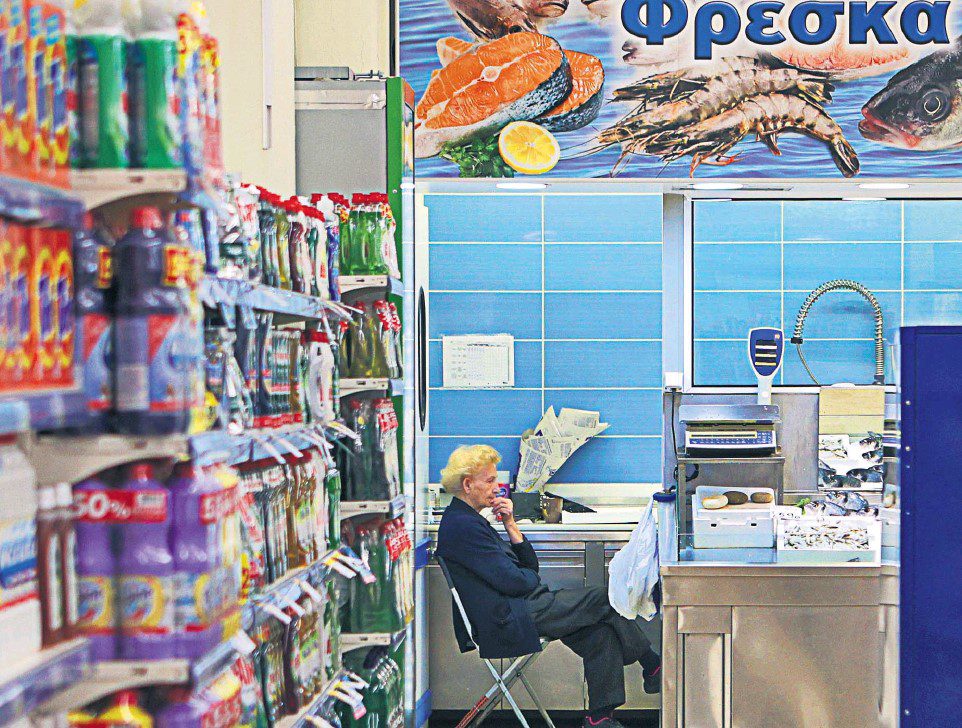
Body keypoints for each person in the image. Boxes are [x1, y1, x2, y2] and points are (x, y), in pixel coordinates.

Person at [435, 445, 661, 728]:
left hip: (521, 606)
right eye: (490, 480)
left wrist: (511, 525)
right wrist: (529, 578)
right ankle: (651, 663)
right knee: (605, 598)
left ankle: (599, 718)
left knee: (600, 633)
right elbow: (518, 581)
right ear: (468, 485)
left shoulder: (469, 520)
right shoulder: (463, 526)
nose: (497, 488)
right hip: (506, 618)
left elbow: (527, 570)